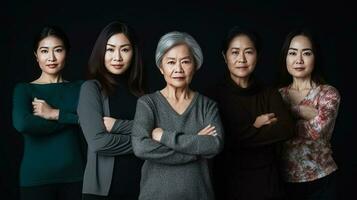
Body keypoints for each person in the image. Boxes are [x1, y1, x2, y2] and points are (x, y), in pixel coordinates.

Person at [131, 31, 224, 200]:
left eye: (185, 62)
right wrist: (196, 147)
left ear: (195, 65)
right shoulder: (148, 103)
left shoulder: (207, 105)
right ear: (161, 67)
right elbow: (141, 147)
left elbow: (214, 145)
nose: (178, 69)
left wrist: (164, 136)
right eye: (171, 62)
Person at [208, 26, 295, 200]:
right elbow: (218, 141)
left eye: (249, 52)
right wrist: (256, 126)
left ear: (258, 56)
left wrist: (239, 133)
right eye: (235, 52)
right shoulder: (212, 96)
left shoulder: (269, 93)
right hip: (228, 182)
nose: (242, 59)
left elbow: (286, 129)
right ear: (225, 57)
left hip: (266, 182)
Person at [12, 25, 84, 200]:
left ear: (67, 52)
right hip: (35, 179)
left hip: (75, 177)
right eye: (44, 51)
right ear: (36, 55)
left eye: (58, 50)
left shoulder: (81, 88)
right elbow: (23, 124)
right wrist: (71, 118)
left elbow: (92, 122)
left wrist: (54, 113)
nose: (51, 58)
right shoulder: (25, 89)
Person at [77, 21, 145, 200]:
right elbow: (98, 142)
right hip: (102, 193)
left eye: (124, 49)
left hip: (142, 189)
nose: (117, 57)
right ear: (101, 52)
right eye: (110, 49)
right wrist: (145, 140)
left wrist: (117, 126)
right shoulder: (91, 89)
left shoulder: (143, 94)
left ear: (134, 52)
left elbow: (158, 131)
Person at [277, 28, 340, 200]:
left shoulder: (328, 93)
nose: (298, 60)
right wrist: (302, 112)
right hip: (284, 182)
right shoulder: (277, 95)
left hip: (322, 180)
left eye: (306, 53)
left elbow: (316, 131)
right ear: (285, 57)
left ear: (315, 57)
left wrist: (287, 117)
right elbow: (274, 133)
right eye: (292, 53)